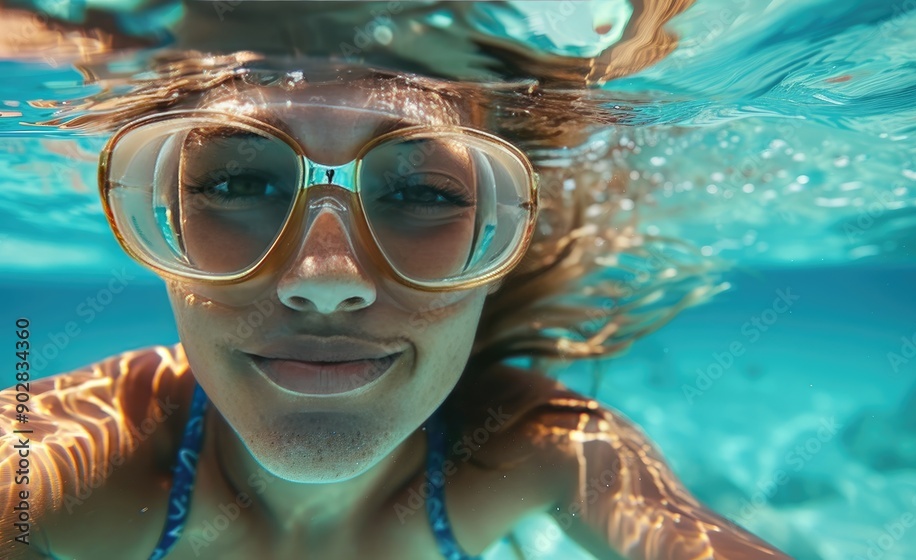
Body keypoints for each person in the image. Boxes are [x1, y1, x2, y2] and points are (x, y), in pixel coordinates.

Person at [2, 4, 793, 560]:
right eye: (239, 184)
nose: (322, 283)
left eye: (423, 193)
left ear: (500, 242)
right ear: (160, 218)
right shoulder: (47, 465)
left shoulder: (546, 448)